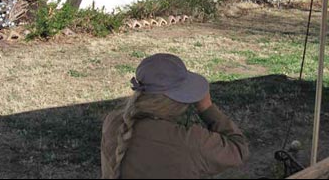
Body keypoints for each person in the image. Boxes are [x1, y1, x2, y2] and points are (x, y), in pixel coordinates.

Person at [101, 53, 249, 179]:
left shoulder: (113, 122)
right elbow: (238, 149)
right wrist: (207, 108)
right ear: (179, 100)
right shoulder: (190, 142)